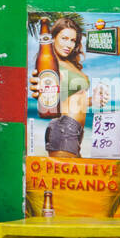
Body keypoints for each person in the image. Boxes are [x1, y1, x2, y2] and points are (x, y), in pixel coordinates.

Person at [28, 14, 90, 157]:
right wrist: (36, 89)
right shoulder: (51, 63)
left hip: (77, 131)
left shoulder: (71, 64)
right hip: (64, 128)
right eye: (64, 38)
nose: (69, 45)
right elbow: (44, 89)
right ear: (53, 38)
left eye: (73, 40)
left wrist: (94, 99)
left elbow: (73, 98)